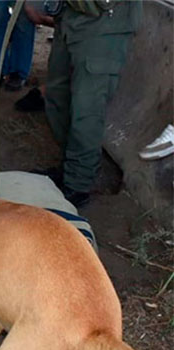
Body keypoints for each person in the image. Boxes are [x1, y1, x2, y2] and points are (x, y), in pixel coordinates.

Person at [44, 0, 142, 206]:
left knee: (86, 110)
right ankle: (71, 168)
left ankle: (78, 183)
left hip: (104, 24)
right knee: (57, 96)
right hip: (71, 17)